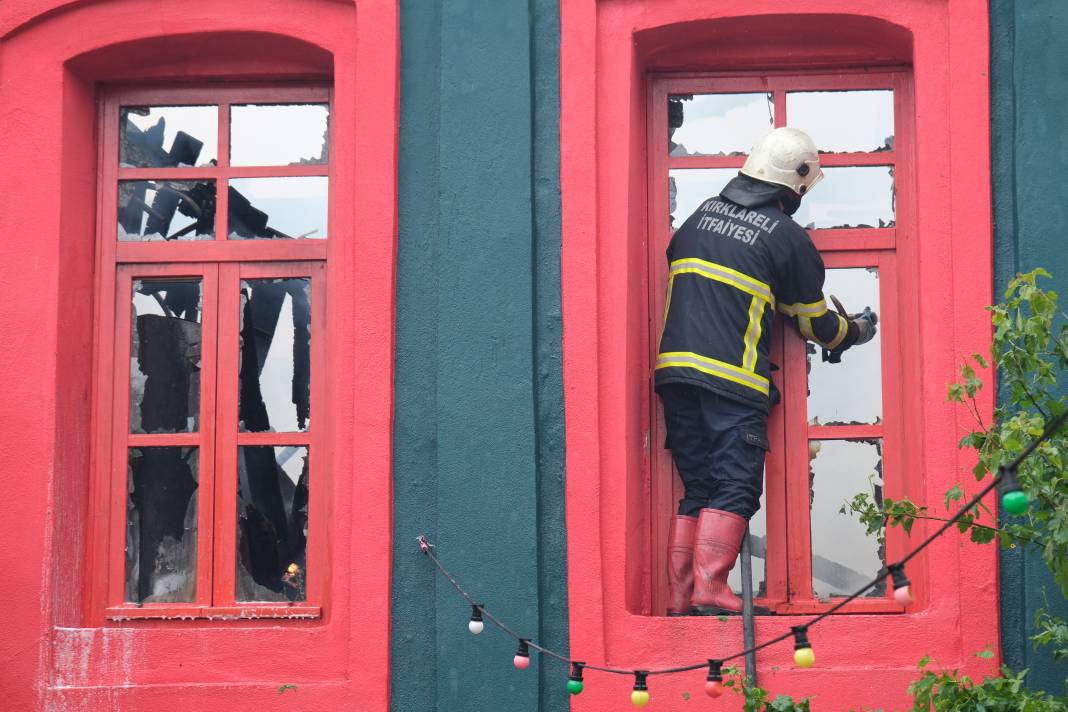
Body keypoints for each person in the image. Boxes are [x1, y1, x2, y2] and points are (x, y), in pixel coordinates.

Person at [656, 127, 878, 616]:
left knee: (699, 485)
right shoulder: (784, 236)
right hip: (731, 382)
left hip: (674, 377)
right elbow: (817, 325)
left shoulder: (696, 220)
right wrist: (859, 329)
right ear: (795, 183)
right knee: (736, 483)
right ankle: (712, 590)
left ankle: (682, 595)